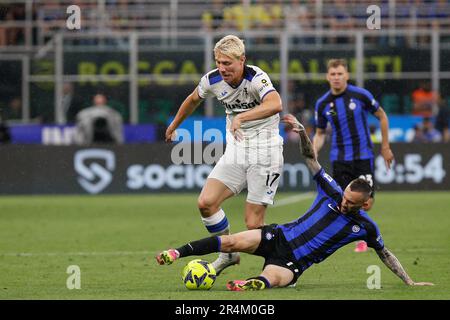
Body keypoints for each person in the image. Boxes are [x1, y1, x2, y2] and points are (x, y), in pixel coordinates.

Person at [156, 114, 434, 291]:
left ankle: (252, 284)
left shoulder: (364, 226)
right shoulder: (331, 191)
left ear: (363, 205)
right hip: (278, 235)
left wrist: (408, 280)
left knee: (275, 278)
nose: (344, 202)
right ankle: (178, 253)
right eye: (345, 196)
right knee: (231, 242)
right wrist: (302, 132)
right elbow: (311, 159)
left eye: (350, 202)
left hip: (294, 260)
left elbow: (385, 254)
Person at [165, 35, 284, 275]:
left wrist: (241, 117)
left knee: (253, 224)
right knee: (206, 203)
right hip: (237, 151)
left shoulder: (256, 77)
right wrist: (174, 125)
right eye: (219, 62)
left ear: (242, 60)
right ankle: (228, 254)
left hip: (266, 153)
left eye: (227, 63)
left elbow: (275, 104)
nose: (222, 68)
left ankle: (282, 263)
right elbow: (192, 100)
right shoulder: (212, 79)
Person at [313, 59, 394, 253]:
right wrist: (313, 151)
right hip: (340, 159)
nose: (336, 78)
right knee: (344, 203)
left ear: (347, 75)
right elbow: (320, 133)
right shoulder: (323, 103)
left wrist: (385, 147)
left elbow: (382, 116)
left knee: (366, 202)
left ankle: (360, 234)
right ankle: (355, 238)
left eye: (340, 74)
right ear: (327, 77)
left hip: (363, 157)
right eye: (333, 74)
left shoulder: (360, 95)